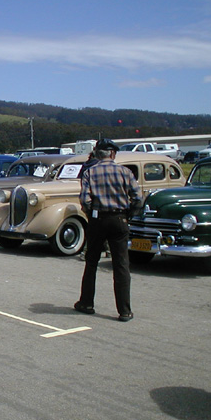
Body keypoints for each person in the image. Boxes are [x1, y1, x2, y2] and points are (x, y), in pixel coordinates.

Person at [75, 138, 142, 322]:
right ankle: (124, 310)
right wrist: (128, 215)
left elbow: (84, 200)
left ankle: (86, 303)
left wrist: (91, 214)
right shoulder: (125, 172)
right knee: (121, 265)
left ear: (98, 154)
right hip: (119, 219)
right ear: (112, 154)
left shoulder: (90, 172)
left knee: (91, 262)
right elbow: (138, 198)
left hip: (98, 219)